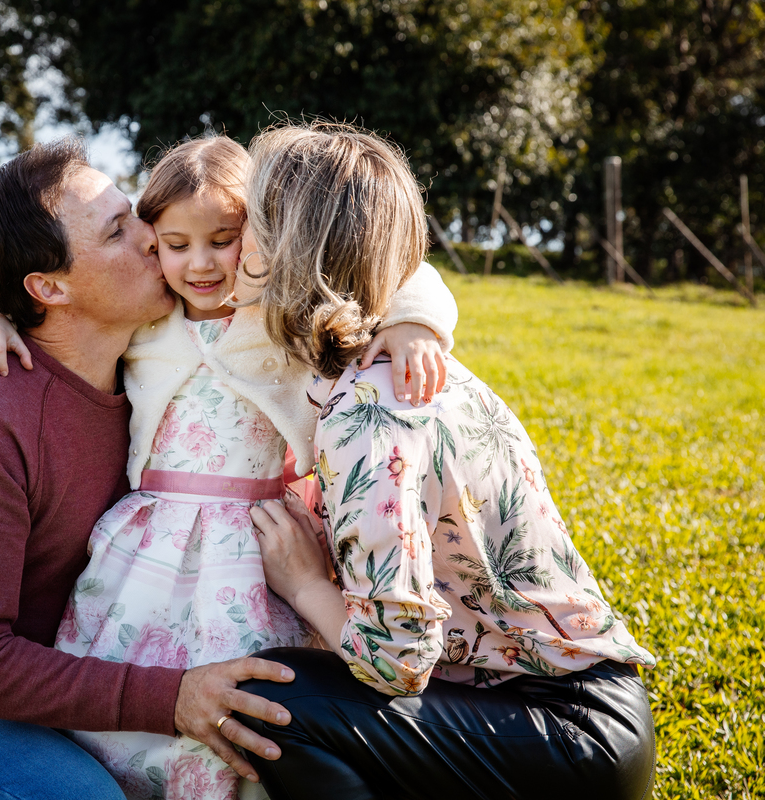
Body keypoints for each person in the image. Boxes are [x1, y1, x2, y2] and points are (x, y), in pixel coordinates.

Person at [0, 134, 459, 799]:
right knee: (137, 686)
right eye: (174, 244)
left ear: (259, 235)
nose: (199, 264)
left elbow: (396, 264)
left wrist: (416, 322)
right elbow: (57, 303)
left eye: (223, 239)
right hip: (149, 549)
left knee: (256, 693)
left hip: (255, 544)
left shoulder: (276, 315)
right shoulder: (146, 321)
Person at [0, 138, 304, 800]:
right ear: (49, 287)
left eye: (133, 212)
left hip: (65, 655)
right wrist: (170, 697)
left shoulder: (147, 366)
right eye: (116, 231)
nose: (151, 237)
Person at [232, 122, 657, 799]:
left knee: (267, 700)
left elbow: (396, 661)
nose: (233, 239)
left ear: (283, 247)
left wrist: (303, 582)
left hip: (567, 733)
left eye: (247, 220)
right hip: (554, 713)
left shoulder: (369, 412)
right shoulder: (401, 363)